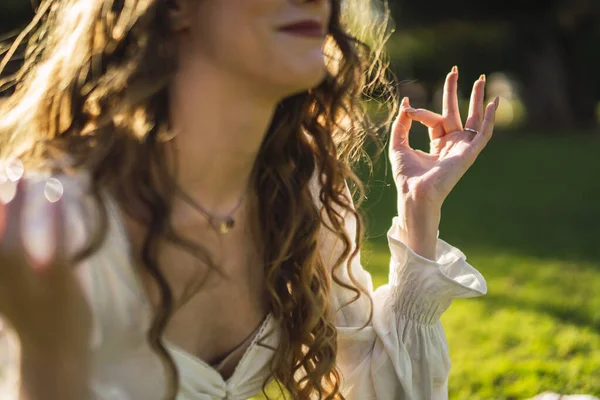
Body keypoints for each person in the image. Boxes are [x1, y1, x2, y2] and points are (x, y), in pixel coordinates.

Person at [0, 0, 498, 399]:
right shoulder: (44, 220)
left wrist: (419, 211)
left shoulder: (302, 193)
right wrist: (47, 359)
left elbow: (372, 390)